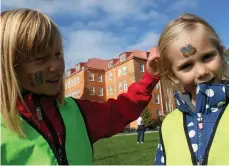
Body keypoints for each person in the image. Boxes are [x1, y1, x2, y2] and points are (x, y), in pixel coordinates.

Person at [0, 8, 161, 165]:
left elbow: (122, 109)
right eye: (41, 59)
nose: (56, 66)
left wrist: (150, 77)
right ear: (10, 66)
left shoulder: (76, 112)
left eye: (58, 55)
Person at [154, 13, 229, 165]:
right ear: (173, 75)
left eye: (207, 57)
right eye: (186, 66)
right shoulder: (169, 124)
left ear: (221, 54)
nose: (201, 72)